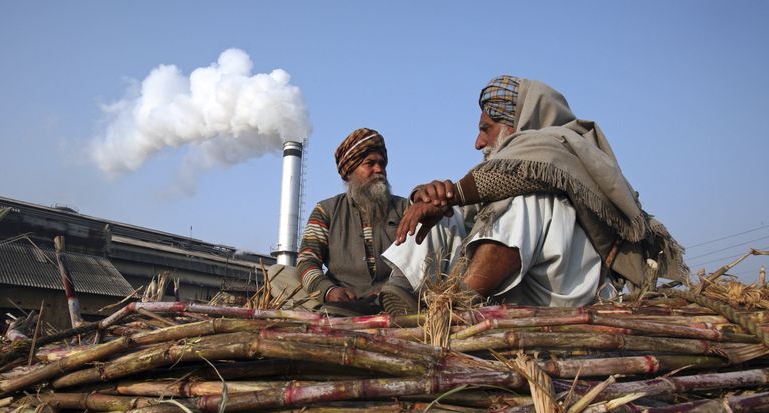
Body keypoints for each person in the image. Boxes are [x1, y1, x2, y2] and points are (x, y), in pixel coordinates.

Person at [380, 75, 686, 313]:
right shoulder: (505, 175)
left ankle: (456, 304)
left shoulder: (556, 147)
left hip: (563, 296)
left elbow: (515, 174)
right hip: (516, 291)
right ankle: (402, 289)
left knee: (529, 198)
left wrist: (451, 193)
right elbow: (475, 191)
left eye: (486, 128)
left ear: (517, 125)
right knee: (444, 214)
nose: (477, 142)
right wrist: (431, 198)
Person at [269, 128, 408, 315]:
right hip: (343, 299)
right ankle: (332, 311)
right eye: (370, 164)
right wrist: (329, 291)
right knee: (277, 274)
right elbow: (308, 259)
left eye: (382, 164)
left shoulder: (403, 208)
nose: (379, 170)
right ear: (349, 171)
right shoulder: (326, 210)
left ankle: (358, 311)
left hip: (390, 296)